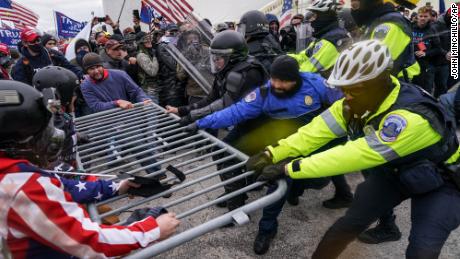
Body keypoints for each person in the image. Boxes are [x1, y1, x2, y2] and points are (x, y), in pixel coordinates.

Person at [248, 40, 460, 259]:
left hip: (443, 180)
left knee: (421, 249)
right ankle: (388, 228)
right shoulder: (356, 102)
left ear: (380, 81)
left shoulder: (410, 118)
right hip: (396, 171)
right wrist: (272, 153)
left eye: (354, 89)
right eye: (343, 89)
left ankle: (392, 230)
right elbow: (313, 132)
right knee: (343, 229)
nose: (346, 96)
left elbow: (354, 154)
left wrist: (290, 168)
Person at [0, 80, 180, 258]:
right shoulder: (20, 187)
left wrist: (117, 186)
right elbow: (86, 242)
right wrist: (151, 230)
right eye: (42, 133)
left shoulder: (15, 170)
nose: (50, 138)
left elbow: (62, 185)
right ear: (18, 141)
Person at [189, 55, 343, 254]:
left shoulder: (316, 85)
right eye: (274, 79)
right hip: (278, 142)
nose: (276, 84)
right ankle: (265, 227)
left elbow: (343, 108)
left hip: (310, 140)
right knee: (275, 176)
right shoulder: (264, 92)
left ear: (296, 79)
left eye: (283, 81)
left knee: (312, 180)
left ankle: (295, 192)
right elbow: (235, 112)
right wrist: (200, 122)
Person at [347, 0, 422, 243]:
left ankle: (389, 225)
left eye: (356, 3)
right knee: (373, 165)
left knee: (378, 165)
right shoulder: (377, 23)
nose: (353, 7)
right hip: (374, 103)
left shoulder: (390, 24)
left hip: (385, 105)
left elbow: (370, 69)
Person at [166, 30, 268, 124]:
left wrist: (192, 118)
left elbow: (223, 105)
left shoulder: (248, 73)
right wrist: (180, 110)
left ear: (232, 58)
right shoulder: (225, 72)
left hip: (261, 125)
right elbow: (210, 99)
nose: (214, 62)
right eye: (213, 58)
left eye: (218, 58)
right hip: (243, 122)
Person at [290, 0, 351, 78]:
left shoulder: (331, 40)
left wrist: (285, 70)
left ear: (325, 17)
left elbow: (306, 72)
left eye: (314, 16)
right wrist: (284, 58)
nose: (311, 21)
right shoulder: (324, 37)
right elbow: (304, 56)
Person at [12, 28, 83, 85]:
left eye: (38, 40)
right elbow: (23, 86)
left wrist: (81, 76)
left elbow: (69, 67)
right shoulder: (21, 64)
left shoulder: (53, 54)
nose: (37, 43)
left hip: (58, 91)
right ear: (25, 43)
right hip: (38, 96)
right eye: (33, 41)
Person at [411, 6, 442, 94]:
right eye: (421, 16)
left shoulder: (432, 30)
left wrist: (425, 53)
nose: (423, 18)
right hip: (411, 65)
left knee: (425, 93)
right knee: (412, 91)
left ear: (429, 17)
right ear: (417, 16)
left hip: (426, 67)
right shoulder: (410, 27)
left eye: (425, 16)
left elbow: (438, 49)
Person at [135, 31, 160, 103]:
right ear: (141, 43)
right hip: (149, 90)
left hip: (154, 87)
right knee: (153, 112)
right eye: (146, 40)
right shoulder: (141, 55)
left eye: (149, 38)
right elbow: (153, 72)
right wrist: (155, 56)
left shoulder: (149, 52)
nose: (149, 41)